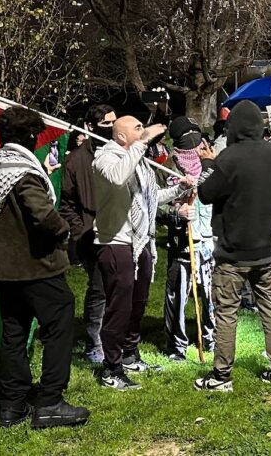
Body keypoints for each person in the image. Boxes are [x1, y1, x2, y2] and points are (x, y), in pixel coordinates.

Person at [0, 106, 87, 429]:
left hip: (5, 267)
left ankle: (12, 405)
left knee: (14, 331)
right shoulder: (22, 170)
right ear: (28, 136)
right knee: (61, 316)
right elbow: (42, 214)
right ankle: (51, 401)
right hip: (36, 264)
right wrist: (64, 229)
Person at [194, 100, 271, 392]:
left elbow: (205, 193)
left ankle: (222, 375)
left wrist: (208, 165)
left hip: (233, 252)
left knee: (227, 312)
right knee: (270, 308)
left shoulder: (229, 158)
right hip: (266, 247)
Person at [92, 115, 193, 391]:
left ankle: (129, 355)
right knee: (119, 307)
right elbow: (117, 177)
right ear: (121, 137)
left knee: (138, 303)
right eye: (137, 128)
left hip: (141, 240)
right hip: (115, 241)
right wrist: (142, 143)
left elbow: (150, 196)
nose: (144, 130)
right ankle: (111, 369)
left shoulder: (139, 161)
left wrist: (176, 190)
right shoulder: (105, 158)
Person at [58, 104, 115, 364]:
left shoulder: (120, 154)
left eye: (114, 122)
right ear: (90, 127)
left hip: (122, 235)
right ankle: (95, 343)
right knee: (100, 289)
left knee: (121, 288)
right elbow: (67, 204)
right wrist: (82, 231)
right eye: (106, 123)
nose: (111, 128)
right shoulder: (76, 161)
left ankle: (118, 341)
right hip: (92, 239)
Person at [160, 116, 215, 362]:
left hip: (210, 241)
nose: (195, 144)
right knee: (177, 295)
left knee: (211, 294)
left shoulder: (210, 162)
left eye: (197, 135)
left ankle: (211, 338)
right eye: (188, 137)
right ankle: (176, 346)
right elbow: (154, 205)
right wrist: (176, 213)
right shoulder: (166, 167)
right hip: (182, 242)